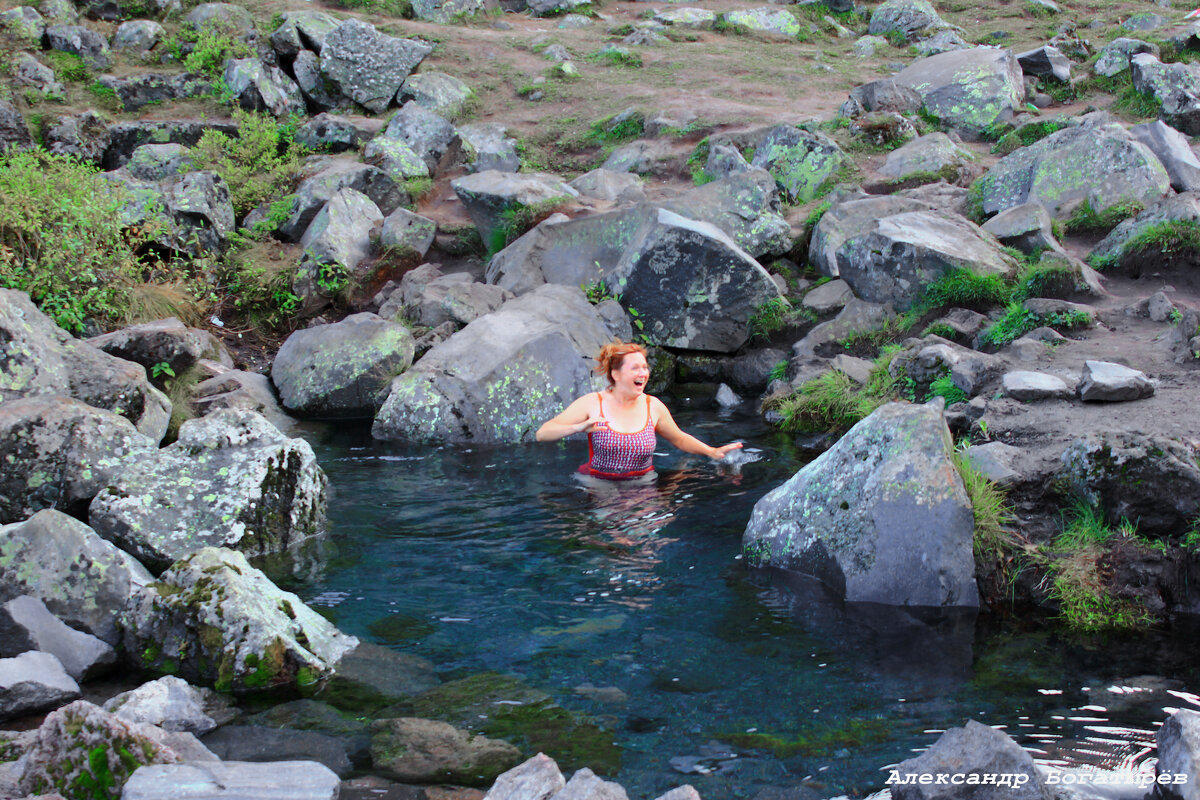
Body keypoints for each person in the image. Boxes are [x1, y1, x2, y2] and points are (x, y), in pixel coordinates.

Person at [536, 340, 743, 480]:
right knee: (615, 539)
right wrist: (578, 427)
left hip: (643, 485)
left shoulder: (653, 406)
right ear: (615, 375)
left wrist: (712, 452)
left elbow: (678, 439)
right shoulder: (592, 403)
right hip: (600, 484)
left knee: (647, 541)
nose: (643, 373)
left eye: (645, 367)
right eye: (635, 368)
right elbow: (542, 434)